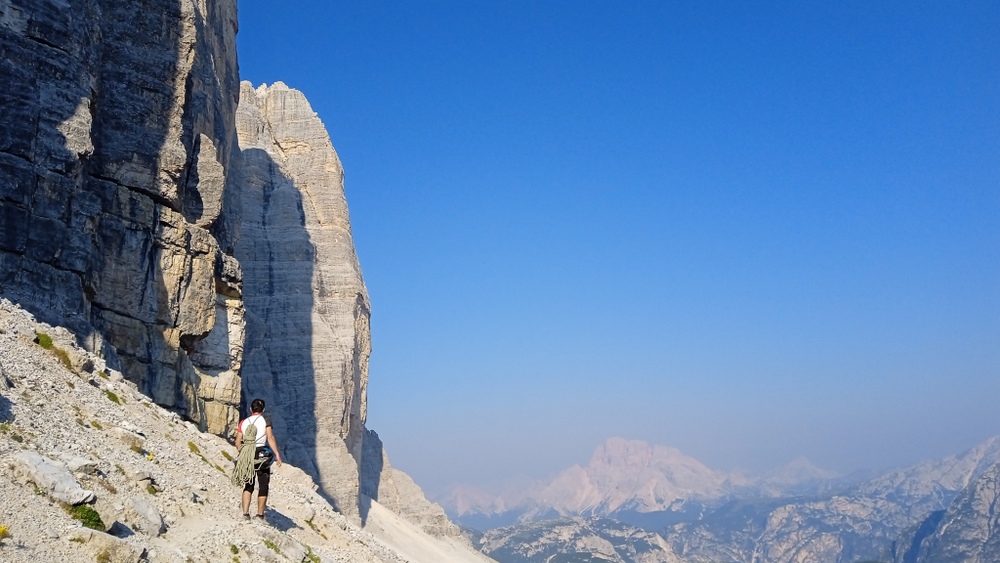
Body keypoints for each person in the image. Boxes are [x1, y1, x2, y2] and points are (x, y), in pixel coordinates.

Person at [234, 398, 283, 521]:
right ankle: (260, 515)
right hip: (261, 453)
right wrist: (277, 453)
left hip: (247, 454)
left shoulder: (243, 422)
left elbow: (237, 442)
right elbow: (270, 437)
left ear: (251, 409)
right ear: (263, 409)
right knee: (263, 485)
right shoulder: (265, 420)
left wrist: (244, 452)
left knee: (248, 484)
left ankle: (245, 513)